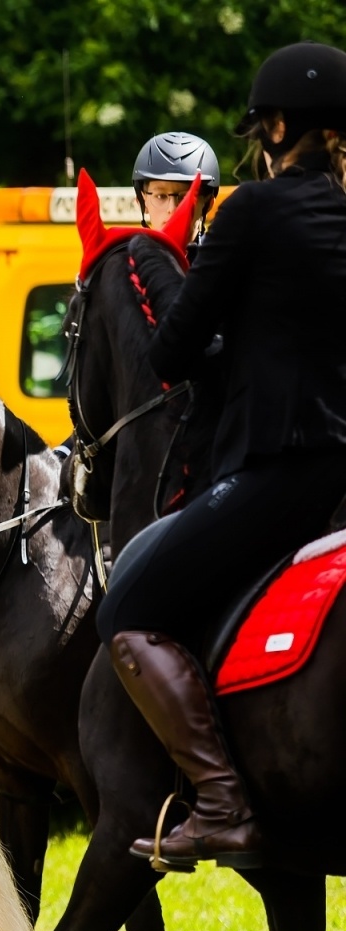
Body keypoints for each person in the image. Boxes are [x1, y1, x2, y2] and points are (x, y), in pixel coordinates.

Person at [96, 41, 346, 870]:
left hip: (286, 471)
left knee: (126, 604)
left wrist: (160, 269)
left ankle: (222, 802)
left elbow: (171, 354)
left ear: (274, 126)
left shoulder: (252, 213)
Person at [133, 131, 221, 234]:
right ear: (142, 202)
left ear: (208, 204)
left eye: (185, 198)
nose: (173, 209)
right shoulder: (125, 250)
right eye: (161, 196)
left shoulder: (222, 250)